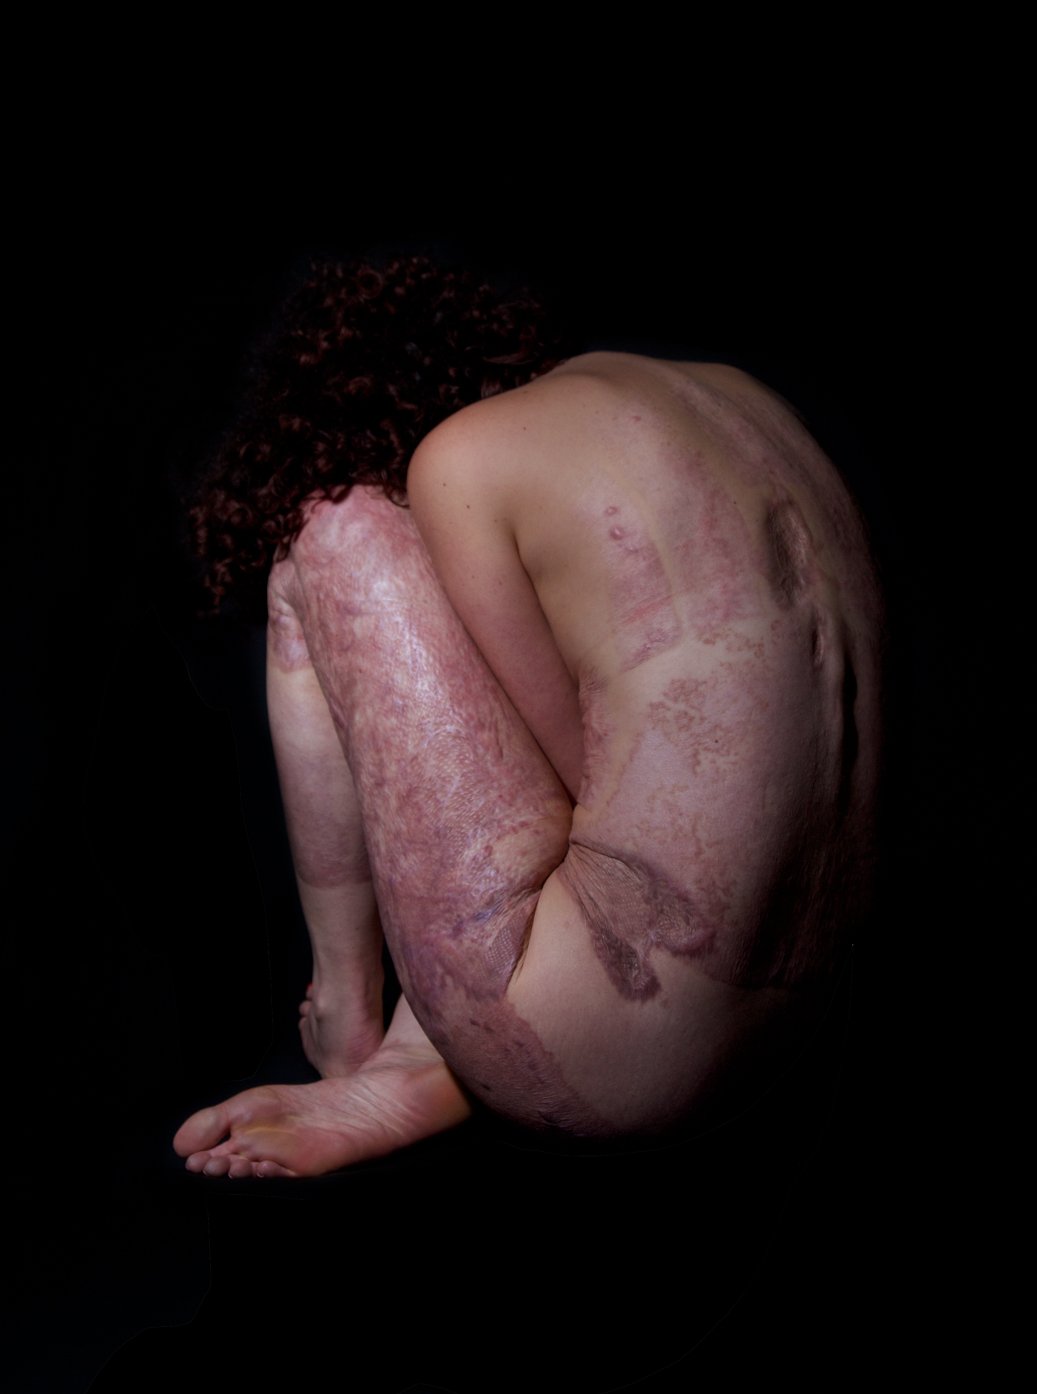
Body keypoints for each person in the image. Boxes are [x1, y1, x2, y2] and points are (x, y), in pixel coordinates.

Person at [174, 255, 883, 1179]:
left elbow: (570, 783)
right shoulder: (742, 399)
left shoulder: (463, 457)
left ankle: (353, 1028)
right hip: (807, 1017)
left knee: (329, 527)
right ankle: (426, 1055)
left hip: (617, 1045)